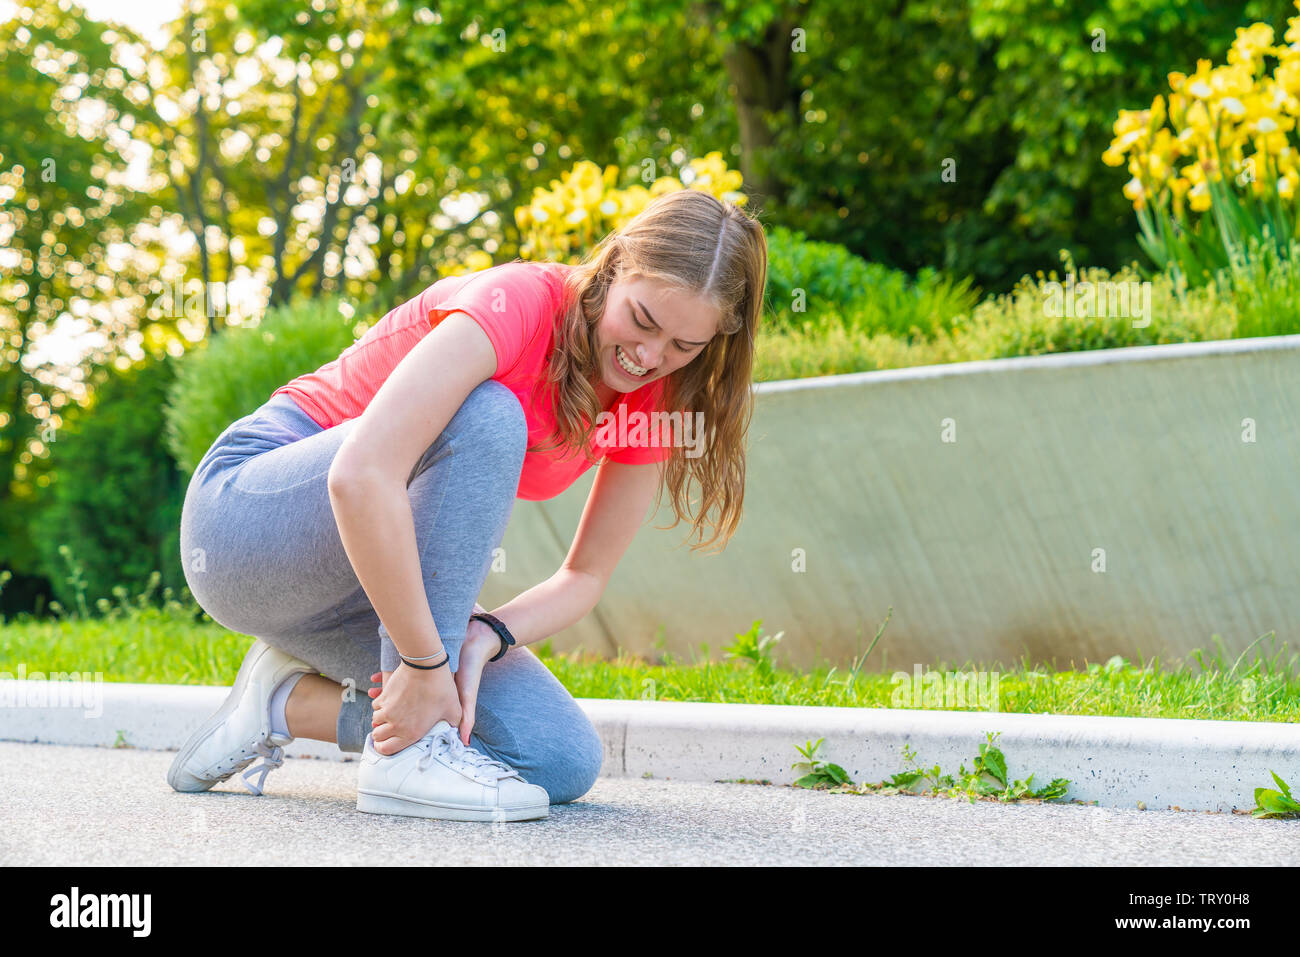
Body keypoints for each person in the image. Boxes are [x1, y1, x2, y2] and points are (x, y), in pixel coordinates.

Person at [169, 188, 768, 822]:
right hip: (244, 527)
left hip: (366, 574)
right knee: (487, 413)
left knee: (556, 758)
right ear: (614, 265)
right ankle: (404, 762)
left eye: (685, 345)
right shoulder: (517, 305)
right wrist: (427, 663)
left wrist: (487, 636)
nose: (651, 357)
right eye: (642, 320)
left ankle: (277, 703)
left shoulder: (659, 397)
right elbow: (361, 475)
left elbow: (584, 575)